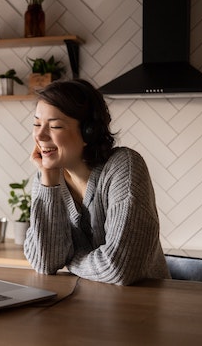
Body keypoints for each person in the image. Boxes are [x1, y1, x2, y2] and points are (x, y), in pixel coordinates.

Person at [24, 79, 170, 285]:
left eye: (55, 126)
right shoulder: (46, 178)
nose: (39, 135)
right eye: (37, 123)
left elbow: (119, 268)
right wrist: (48, 180)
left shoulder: (124, 166)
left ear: (88, 132)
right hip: (85, 304)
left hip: (143, 306)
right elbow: (45, 263)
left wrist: (70, 259)